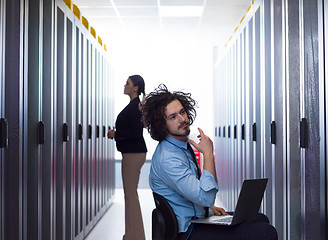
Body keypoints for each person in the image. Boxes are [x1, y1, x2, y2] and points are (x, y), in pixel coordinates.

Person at [140, 84, 278, 240]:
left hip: (196, 219)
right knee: (265, 232)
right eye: (173, 117)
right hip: (186, 232)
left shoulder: (181, 147)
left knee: (260, 219)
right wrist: (207, 154)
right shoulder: (168, 158)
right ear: (161, 124)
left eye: (182, 112)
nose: (182, 119)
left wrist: (210, 208)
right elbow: (205, 197)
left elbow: (194, 191)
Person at [107, 75, 147, 240]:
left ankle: (134, 236)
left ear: (135, 88)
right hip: (132, 153)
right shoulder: (134, 105)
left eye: (128, 83)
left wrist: (116, 134)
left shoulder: (136, 106)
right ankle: (133, 234)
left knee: (130, 195)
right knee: (130, 195)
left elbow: (136, 133)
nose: (125, 85)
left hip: (133, 154)